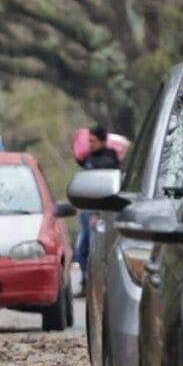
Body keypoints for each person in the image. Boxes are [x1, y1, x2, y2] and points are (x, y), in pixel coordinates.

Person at [76, 125, 120, 295]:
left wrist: (98, 213)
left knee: (96, 251)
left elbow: (106, 191)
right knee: (82, 251)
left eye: (93, 141)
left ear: (103, 141)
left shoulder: (107, 162)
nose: (90, 144)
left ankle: (97, 286)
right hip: (86, 211)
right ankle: (85, 283)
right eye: (89, 141)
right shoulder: (90, 158)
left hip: (98, 213)